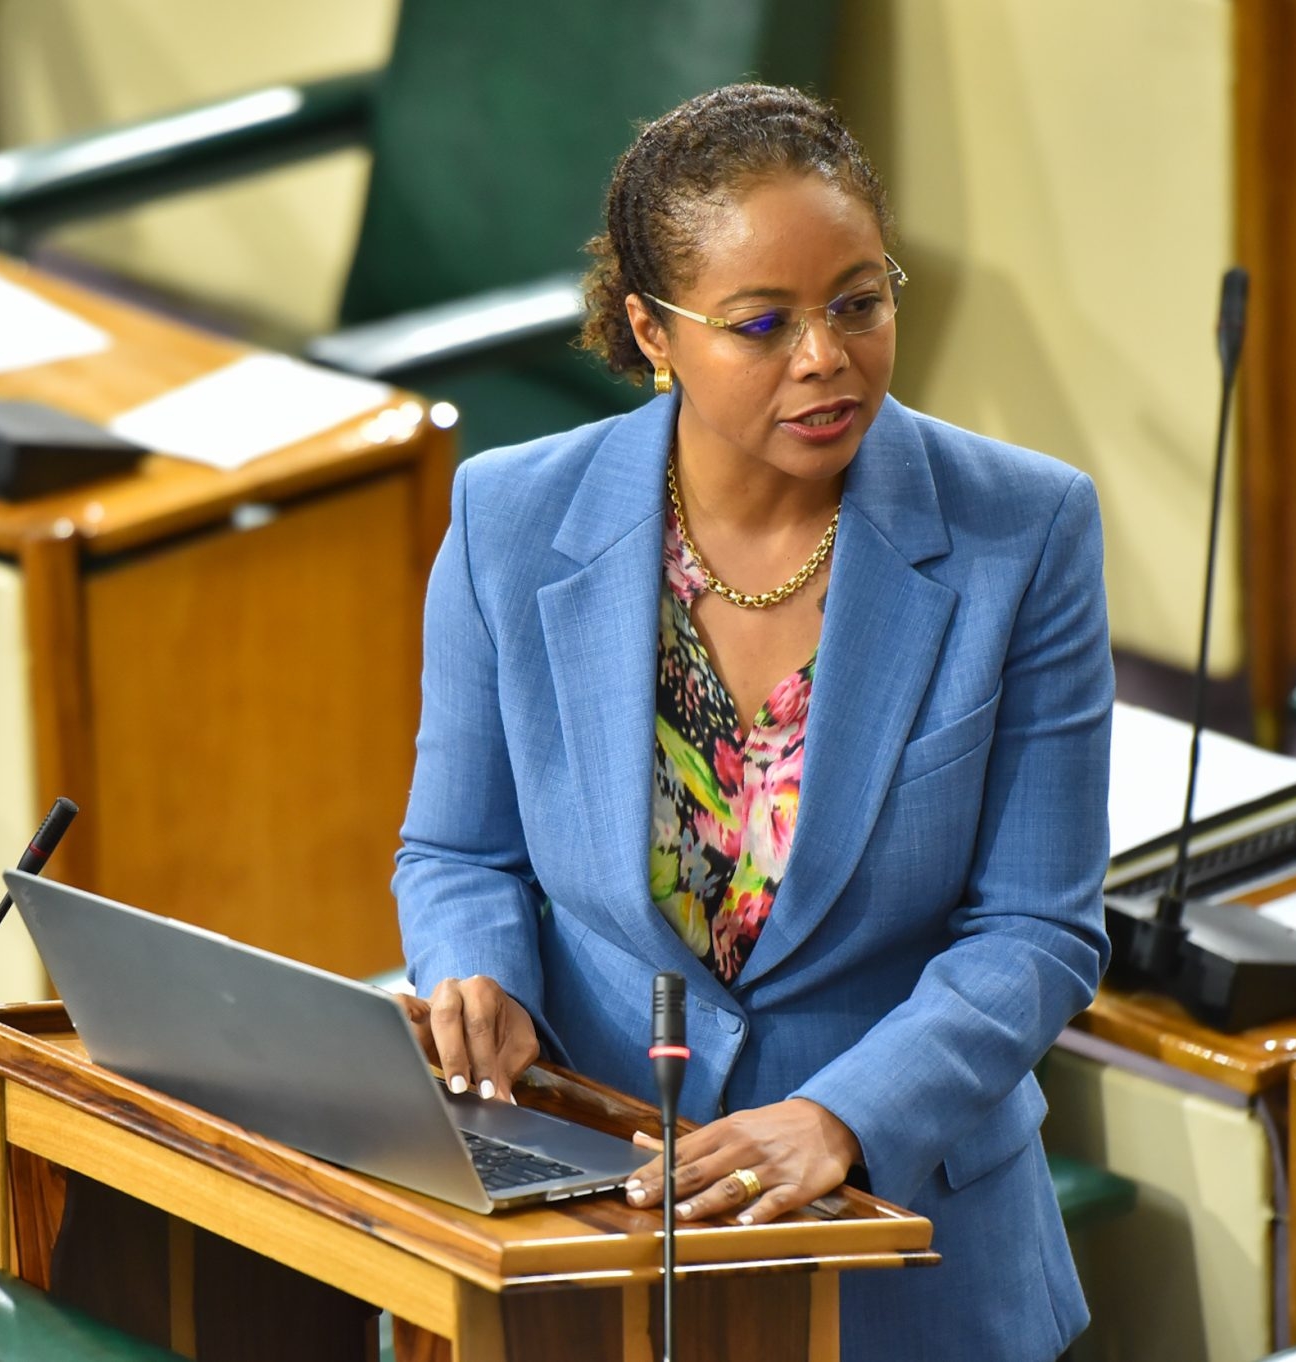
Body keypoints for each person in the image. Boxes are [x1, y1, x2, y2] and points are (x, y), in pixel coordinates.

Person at [392, 83, 1111, 1362]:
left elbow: (1034, 932)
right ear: (650, 332)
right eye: (761, 324)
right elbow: (457, 853)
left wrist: (842, 1115)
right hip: (589, 1213)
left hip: (904, 1245)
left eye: (857, 302)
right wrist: (477, 975)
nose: (824, 357)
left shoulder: (1024, 531)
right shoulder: (506, 521)